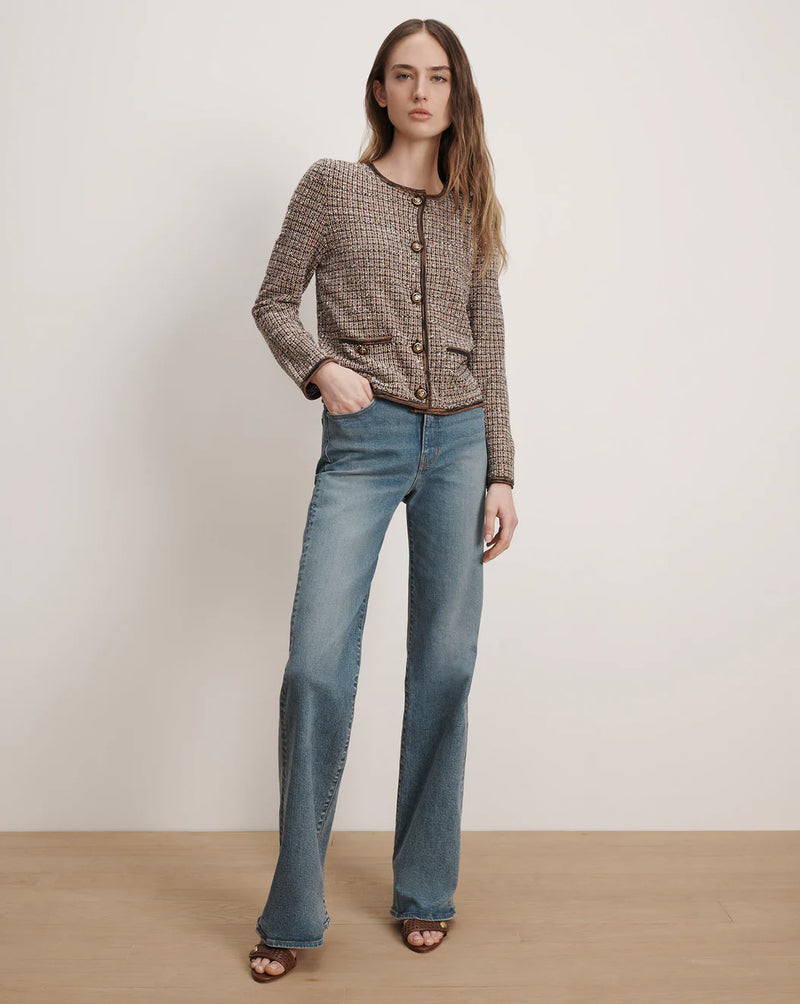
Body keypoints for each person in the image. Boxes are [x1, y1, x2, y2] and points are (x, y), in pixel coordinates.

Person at [247, 17, 518, 983]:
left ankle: (426, 890)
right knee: (316, 667)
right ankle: (293, 910)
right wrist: (320, 366)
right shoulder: (332, 186)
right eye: (404, 75)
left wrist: (502, 470)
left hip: (460, 447)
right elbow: (273, 301)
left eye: (437, 77)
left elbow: (491, 344)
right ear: (380, 90)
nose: (420, 91)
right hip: (363, 446)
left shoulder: (472, 209)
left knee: (444, 666)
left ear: (455, 93)